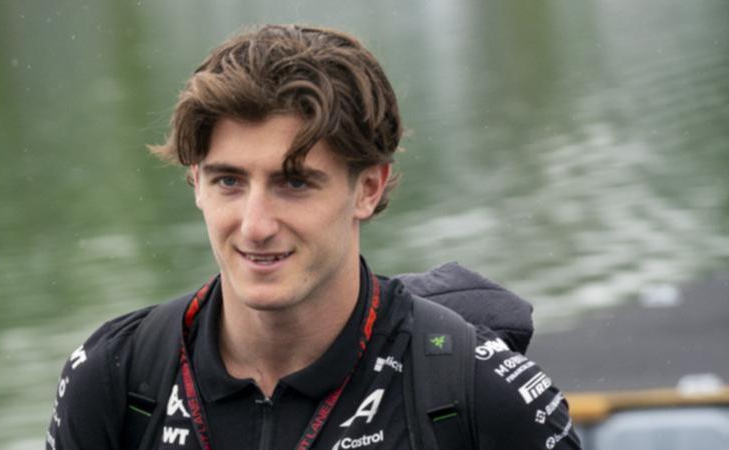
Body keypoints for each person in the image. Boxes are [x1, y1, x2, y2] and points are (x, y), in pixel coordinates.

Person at [46, 24, 581, 450]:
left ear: (368, 189)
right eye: (229, 181)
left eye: (294, 182)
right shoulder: (116, 376)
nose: (255, 225)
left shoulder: (475, 390)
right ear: (196, 184)